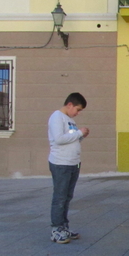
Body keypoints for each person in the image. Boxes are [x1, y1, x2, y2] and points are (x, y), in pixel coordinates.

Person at [48, 92, 89, 244]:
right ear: (69, 104)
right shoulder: (57, 117)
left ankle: (64, 227)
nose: (78, 113)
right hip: (61, 163)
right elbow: (59, 139)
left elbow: (70, 139)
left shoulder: (69, 119)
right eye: (77, 110)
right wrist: (79, 133)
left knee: (67, 196)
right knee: (60, 197)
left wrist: (81, 136)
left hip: (73, 163)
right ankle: (56, 229)